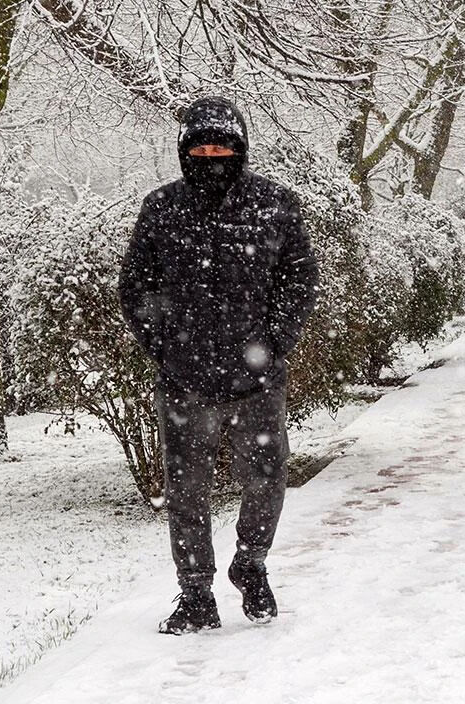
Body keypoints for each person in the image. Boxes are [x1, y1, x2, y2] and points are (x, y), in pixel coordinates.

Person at [118, 96, 319, 635]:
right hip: (186, 382)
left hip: (256, 379)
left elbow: (298, 280)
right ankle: (196, 594)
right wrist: (165, 349)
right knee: (186, 491)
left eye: (222, 145)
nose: (212, 155)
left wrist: (276, 344)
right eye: (202, 146)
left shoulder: (275, 204)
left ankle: (250, 563)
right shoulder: (161, 208)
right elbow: (136, 288)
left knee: (267, 478)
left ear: (240, 147)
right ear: (186, 149)